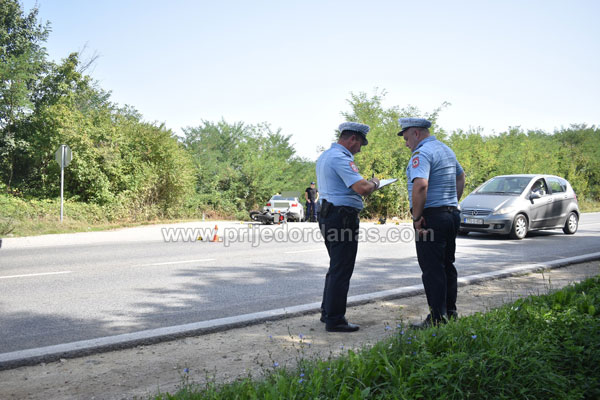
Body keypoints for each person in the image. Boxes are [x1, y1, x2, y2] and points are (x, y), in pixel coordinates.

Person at [398, 117, 465, 328]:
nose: (406, 143)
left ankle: (437, 319)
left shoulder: (422, 153)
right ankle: (450, 313)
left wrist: (417, 217)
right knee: (447, 265)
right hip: (450, 214)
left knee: (432, 269)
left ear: (416, 133)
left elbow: (420, 185)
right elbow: (461, 177)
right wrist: (451, 202)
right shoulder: (446, 150)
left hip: (431, 218)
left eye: (406, 138)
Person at [316, 122, 380, 332]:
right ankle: (335, 320)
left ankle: (328, 312)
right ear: (353, 139)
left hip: (329, 214)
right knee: (342, 268)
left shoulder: (326, 156)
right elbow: (362, 188)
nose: (359, 149)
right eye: (360, 144)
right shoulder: (340, 158)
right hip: (341, 217)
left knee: (336, 266)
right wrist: (375, 183)